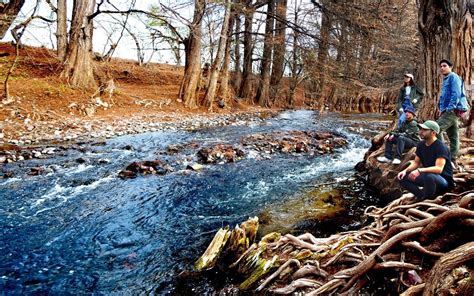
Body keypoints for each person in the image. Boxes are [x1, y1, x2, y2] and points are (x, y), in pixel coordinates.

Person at [397, 120, 454, 200]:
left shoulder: (441, 147)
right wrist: (405, 171)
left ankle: (428, 199)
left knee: (429, 176)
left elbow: (439, 169)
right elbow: (416, 163)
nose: (421, 131)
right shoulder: (421, 145)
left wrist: (420, 170)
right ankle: (421, 196)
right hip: (428, 177)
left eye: (425, 130)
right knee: (402, 177)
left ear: (433, 133)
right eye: (421, 129)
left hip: (443, 181)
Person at [436, 59, 468, 161]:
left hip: (454, 109)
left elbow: (456, 94)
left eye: (444, 66)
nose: (442, 68)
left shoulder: (453, 77)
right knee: (453, 134)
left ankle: (442, 154)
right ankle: (453, 156)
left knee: (435, 130)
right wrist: (441, 109)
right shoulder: (446, 79)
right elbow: (444, 96)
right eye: (441, 66)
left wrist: (450, 108)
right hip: (448, 109)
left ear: (450, 67)